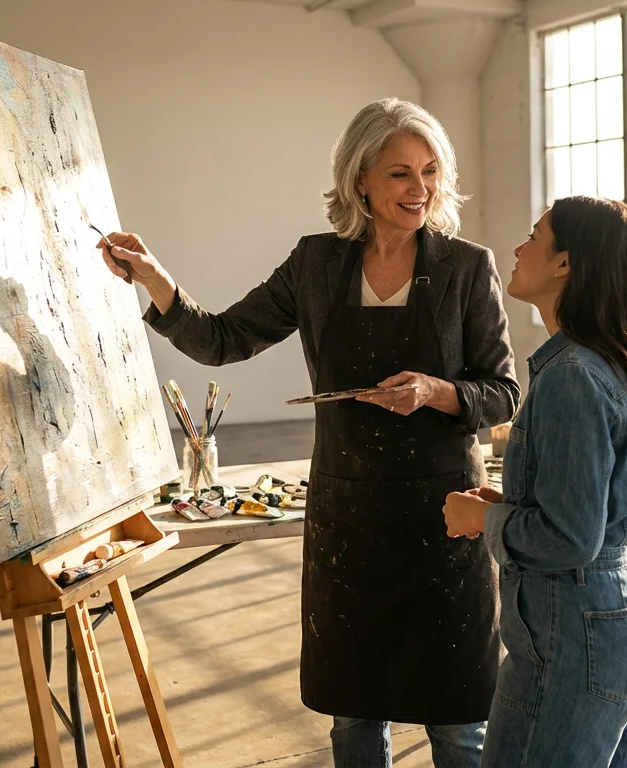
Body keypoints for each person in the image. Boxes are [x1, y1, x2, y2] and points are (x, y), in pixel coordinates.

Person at [96, 98, 519, 767]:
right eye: (400, 173)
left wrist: (434, 391)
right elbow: (223, 339)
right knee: (354, 714)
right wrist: (155, 279)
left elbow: (502, 392)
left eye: (431, 171)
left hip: (444, 521)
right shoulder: (317, 263)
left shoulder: (467, 266)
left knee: (458, 717)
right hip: (349, 520)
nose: (420, 188)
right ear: (360, 181)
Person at [442, 196, 627, 767]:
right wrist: (512, 502)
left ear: (565, 263)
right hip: (621, 615)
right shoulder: (613, 358)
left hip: (575, 635)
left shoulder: (571, 376)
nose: (518, 248)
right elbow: (591, 510)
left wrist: (484, 518)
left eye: (533, 236)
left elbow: (571, 538)